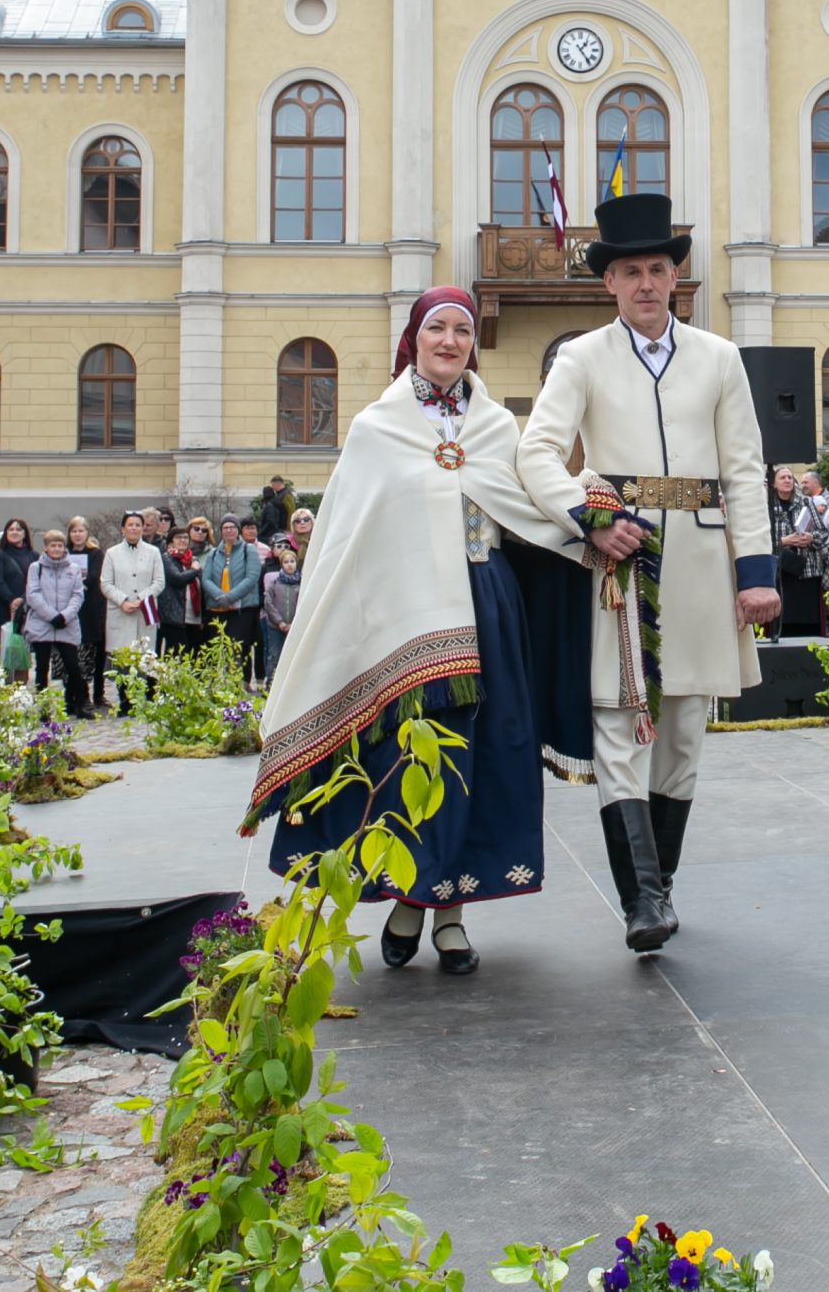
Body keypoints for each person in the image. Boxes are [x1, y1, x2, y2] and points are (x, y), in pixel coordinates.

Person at [254, 286, 595, 977]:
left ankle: (451, 916)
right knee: (414, 762)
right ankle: (412, 900)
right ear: (415, 340)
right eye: (437, 328)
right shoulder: (377, 427)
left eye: (461, 331)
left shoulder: (496, 427)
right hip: (405, 614)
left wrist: (596, 512)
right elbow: (346, 537)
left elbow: (532, 509)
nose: (450, 341)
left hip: (487, 608)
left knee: (485, 759)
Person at [516, 193, 778, 955]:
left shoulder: (719, 357)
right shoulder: (582, 357)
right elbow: (537, 451)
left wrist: (756, 571)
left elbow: (745, 468)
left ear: (674, 277)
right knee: (618, 720)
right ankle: (642, 899)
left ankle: (658, 885)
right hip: (620, 564)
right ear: (609, 282)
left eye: (657, 270)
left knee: (685, 731)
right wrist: (588, 515)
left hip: (701, 562)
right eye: (630, 272)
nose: (645, 284)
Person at [21, 528, 89, 717]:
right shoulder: (36, 568)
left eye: (60, 545)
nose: (57, 549)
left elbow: (78, 595)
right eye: (53, 545)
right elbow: (33, 594)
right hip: (42, 622)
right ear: (46, 547)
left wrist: (65, 616)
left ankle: (80, 704)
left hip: (67, 623)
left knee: (73, 666)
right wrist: (51, 615)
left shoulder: (73, 568)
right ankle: (43, 708)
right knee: (42, 667)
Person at [100, 509, 164, 676]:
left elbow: (159, 582)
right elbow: (106, 583)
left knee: (143, 666)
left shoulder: (153, 552)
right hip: (120, 613)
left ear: (143, 528)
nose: (134, 528)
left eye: (138, 525)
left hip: (144, 612)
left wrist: (141, 599)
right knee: (122, 668)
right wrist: (123, 601)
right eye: (130, 525)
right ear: (123, 529)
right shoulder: (112, 553)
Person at [768, 467, 827, 639]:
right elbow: (759, 540)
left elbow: (823, 533)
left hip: (806, 573)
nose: (787, 480)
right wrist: (784, 541)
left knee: (809, 629)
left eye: (790, 477)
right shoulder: (766, 506)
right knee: (783, 626)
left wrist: (810, 537)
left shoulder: (806, 502)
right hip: (781, 574)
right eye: (782, 477)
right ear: (773, 483)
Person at [201, 516, 264, 675]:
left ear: (238, 530)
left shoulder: (248, 550)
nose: (228, 530)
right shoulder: (213, 553)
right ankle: (217, 683)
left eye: (232, 527)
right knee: (216, 650)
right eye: (225, 527)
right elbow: (206, 579)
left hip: (241, 610)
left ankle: (238, 683)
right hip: (217, 609)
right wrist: (219, 596)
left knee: (238, 649)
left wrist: (230, 597)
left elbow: (252, 577)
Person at [64, 518, 102, 717]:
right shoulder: (63, 552)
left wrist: (74, 587)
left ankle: (84, 695)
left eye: (81, 531)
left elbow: (94, 577)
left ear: (87, 533)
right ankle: (69, 694)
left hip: (87, 608)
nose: (77, 535)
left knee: (85, 654)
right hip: (66, 608)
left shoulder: (95, 553)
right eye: (74, 531)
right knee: (67, 655)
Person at [0, 519, 33, 647]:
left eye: (18, 529)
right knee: (2, 648)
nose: (14, 532)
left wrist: (23, 599)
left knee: (25, 650)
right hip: (3, 607)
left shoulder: (34, 556)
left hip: (27, 607)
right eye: (11, 529)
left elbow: (36, 582)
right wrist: (12, 600)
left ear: (25, 534)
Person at [259, 544, 301, 679]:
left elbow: (302, 604)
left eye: (292, 561)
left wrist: (294, 623)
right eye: (286, 562)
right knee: (274, 655)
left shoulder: (301, 583)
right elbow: (268, 603)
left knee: (294, 657)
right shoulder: (274, 583)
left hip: (295, 627)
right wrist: (280, 621)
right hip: (276, 627)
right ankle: (270, 684)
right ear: (281, 564)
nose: (289, 565)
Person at [159, 529, 201, 657]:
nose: (183, 540)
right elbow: (177, 579)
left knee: (192, 653)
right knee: (177, 654)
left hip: (192, 615)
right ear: (170, 542)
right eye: (178, 537)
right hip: (174, 615)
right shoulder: (167, 558)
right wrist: (194, 571)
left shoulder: (192, 559)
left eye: (185, 537)